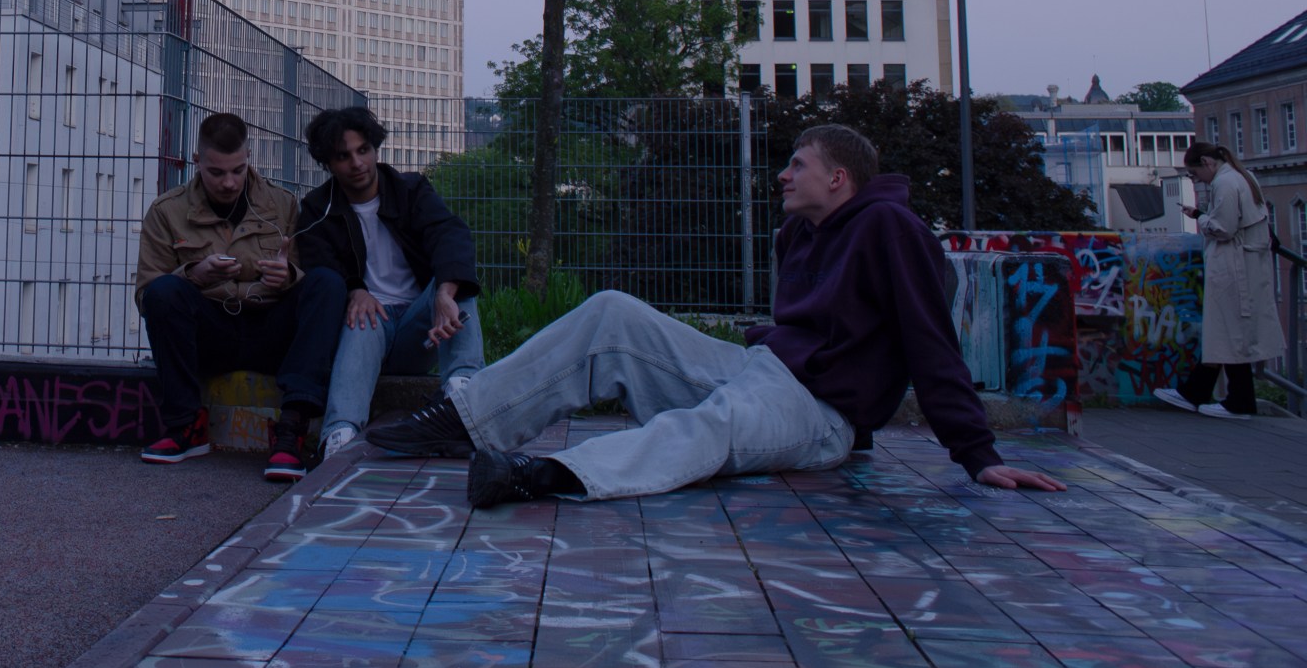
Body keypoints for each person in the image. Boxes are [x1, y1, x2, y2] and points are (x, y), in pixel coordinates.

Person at [366, 125, 1067, 506]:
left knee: (715, 426)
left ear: (839, 179)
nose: (783, 176)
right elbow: (793, 339)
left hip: (819, 415)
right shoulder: (799, 234)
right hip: (762, 372)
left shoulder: (890, 229)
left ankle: (545, 475)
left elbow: (931, 344)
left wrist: (979, 457)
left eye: (798, 165)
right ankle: (467, 421)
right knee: (612, 313)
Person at [134, 112, 344, 481]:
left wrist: (288, 276)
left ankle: (291, 428)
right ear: (198, 162)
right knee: (164, 292)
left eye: (238, 170)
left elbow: (304, 278)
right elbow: (146, 293)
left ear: (249, 159)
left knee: (327, 283)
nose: (229, 182)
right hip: (210, 334)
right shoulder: (166, 211)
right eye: (217, 173)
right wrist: (193, 274)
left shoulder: (283, 204)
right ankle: (186, 426)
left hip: (272, 331)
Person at [294, 106, 483, 457]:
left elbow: (449, 234)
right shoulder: (317, 207)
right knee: (361, 316)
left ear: (375, 148)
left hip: (418, 328)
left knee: (458, 289)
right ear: (328, 163)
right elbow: (320, 264)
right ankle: (339, 438)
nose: (357, 163)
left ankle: (463, 394)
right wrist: (356, 290)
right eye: (343, 156)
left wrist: (444, 291)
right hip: (370, 328)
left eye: (363, 150)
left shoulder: (410, 189)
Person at [1154, 140, 1284, 419]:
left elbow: (1223, 229)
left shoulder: (1224, 184)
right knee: (1228, 331)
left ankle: (1232, 400)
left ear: (1207, 163)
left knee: (1228, 331)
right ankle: (1206, 393)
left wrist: (1200, 217)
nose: (1195, 179)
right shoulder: (1243, 177)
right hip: (1247, 262)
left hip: (1233, 264)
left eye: (1194, 173)